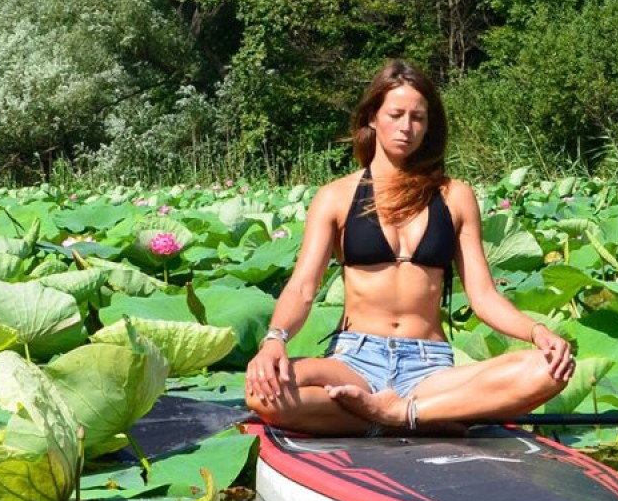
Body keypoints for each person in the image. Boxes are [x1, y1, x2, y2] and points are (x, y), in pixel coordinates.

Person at [243, 60, 575, 434]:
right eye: (395, 114)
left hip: (428, 365)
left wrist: (537, 332)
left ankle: (401, 414)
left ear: (429, 125)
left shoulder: (455, 196)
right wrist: (274, 341)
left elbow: (482, 295)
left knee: (550, 368)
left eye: (417, 117)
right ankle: (414, 416)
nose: (406, 127)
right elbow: (304, 287)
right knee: (263, 394)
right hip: (354, 359)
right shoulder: (336, 196)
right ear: (372, 118)